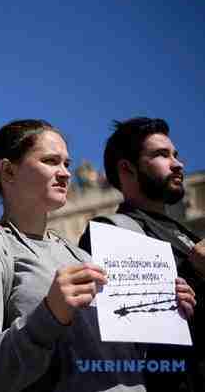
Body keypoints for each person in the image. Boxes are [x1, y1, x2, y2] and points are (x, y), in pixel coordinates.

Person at [0, 119, 196, 392]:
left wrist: (167, 312)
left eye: (67, 163)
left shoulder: (84, 257)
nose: (65, 173)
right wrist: (48, 315)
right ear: (8, 171)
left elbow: (127, 365)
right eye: (51, 161)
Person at [78, 117, 205, 391]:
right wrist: (193, 276)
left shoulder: (188, 236)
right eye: (161, 155)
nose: (178, 164)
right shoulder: (111, 233)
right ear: (127, 169)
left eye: (175, 155)